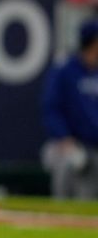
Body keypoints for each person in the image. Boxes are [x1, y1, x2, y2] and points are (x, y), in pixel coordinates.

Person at [41, 20, 98, 199]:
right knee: (68, 165)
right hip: (69, 145)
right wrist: (66, 141)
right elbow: (51, 109)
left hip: (95, 147)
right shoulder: (65, 70)